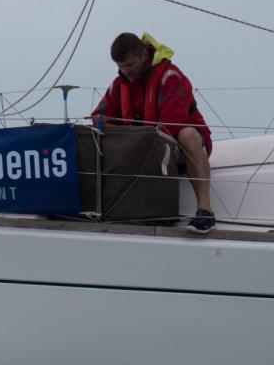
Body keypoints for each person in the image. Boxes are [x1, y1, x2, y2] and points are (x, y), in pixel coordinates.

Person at [92, 32, 216, 233]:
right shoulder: (118, 85)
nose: (126, 71)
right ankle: (106, 209)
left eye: (130, 65)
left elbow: (170, 124)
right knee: (100, 135)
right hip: (140, 146)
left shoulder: (170, 77)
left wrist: (134, 142)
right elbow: (100, 117)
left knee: (189, 134)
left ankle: (205, 211)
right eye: (121, 66)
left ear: (144, 55)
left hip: (176, 146)